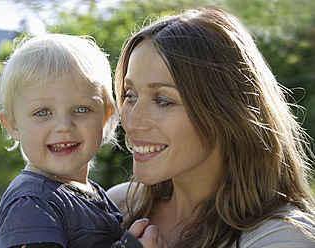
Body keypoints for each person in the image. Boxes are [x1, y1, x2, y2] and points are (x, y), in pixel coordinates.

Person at [108, 6, 315, 247]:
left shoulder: (283, 238)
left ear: (226, 111)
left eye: (163, 100)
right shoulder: (117, 206)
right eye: (130, 95)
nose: (131, 122)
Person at [0, 33, 150, 248]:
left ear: (105, 116)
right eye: (42, 112)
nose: (64, 126)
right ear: (13, 125)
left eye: (81, 109)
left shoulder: (91, 193)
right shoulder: (31, 204)